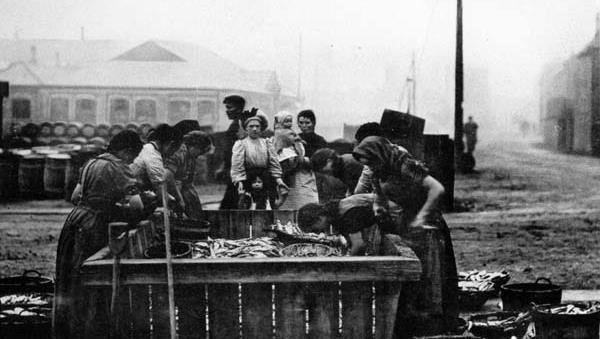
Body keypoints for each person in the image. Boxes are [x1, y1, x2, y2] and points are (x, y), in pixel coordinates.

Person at [352, 135, 459, 333]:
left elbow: (437, 189)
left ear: (379, 155)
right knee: (411, 277)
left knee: (429, 275)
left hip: (427, 226)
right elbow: (378, 194)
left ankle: (431, 326)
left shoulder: (404, 164)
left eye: (371, 163)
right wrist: (378, 207)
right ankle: (411, 323)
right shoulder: (378, 168)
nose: (370, 168)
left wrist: (422, 216)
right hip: (404, 225)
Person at [53, 131, 145, 338]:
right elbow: (137, 206)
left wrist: (98, 199)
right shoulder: (117, 167)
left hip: (75, 220)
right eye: (133, 157)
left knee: (70, 277)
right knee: (91, 278)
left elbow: (76, 196)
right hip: (94, 225)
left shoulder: (91, 163)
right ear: (127, 151)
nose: (132, 161)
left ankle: (68, 329)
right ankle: (91, 330)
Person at [229, 114, 288, 210]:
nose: (254, 129)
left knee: (268, 204)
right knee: (248, 205)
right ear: (246, 129)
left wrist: (279, 181)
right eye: (251, 126)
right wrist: (239, 181)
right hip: (248, 179)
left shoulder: (267, 143)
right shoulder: (241, 144)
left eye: (257, 126)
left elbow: (274, 164)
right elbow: (237, 165)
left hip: (266, 178)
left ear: (261, 128)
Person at [273, 111, 319, 209]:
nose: (304, 126)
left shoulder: (319, 140)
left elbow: (317, 161)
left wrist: (304, 160)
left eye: (307, 123)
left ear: (313, 123)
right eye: (301, 123)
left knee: (306, 202)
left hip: (306, 175)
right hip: (291, 170)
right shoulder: (285, 135)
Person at [165, 130, 214, 219]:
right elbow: (168, 175)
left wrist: (195, 202)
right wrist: (179, 199)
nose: (200, 154)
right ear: (194, 146)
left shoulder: (191, 157)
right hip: (169, 188)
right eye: (201, 151)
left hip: (181, 187)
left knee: (193, 201)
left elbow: (189, 182)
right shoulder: (180, 154)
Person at [130, 124, 181, 197]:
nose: (172, 154)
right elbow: (160, 188)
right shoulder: (153, 156)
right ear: (170, 144)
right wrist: (177, 201)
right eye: (174, 150)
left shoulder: (148, 148)